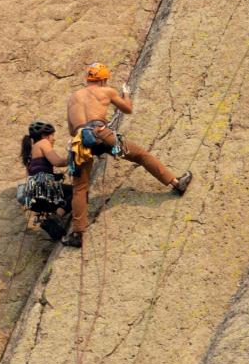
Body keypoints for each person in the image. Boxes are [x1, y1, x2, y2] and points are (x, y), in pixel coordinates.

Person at [63, 62, 190, 246]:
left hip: (80, 141)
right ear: (103, 79)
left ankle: (77, 235)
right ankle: (176, 183)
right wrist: (126, 93)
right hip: (101, 134)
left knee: (80, 188)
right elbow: (127, 109)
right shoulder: (106, 91)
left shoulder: (73, 98)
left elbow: (70, 129)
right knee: (140, 155)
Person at [15, 121, 73, 241]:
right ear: (44, 136)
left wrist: (54, 176)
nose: (54, 139)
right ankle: (56, 218)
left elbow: (37, 172)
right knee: (78, 192)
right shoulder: (43, 143)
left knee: (65, 199)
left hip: (34, 197)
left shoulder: (30, 153)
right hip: (44, 189)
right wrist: (73, 158)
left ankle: (53, 223)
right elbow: (57, 161)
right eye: (52, 136)